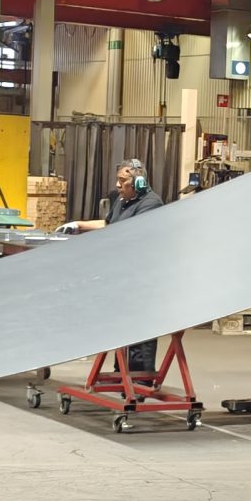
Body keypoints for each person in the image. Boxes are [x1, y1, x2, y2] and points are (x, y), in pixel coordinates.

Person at [64, 158, 164, 374]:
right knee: (123, 326)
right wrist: (78, 225)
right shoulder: (122, 200)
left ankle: (140, 377)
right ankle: (123, 373)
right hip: (121, 274)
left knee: (139, 329)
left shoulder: (151, 204)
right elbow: (108, 224)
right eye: (117, 180)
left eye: (122, 180)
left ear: (138, 183)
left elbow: (131, 235)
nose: (118, 185)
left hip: (140, 277)